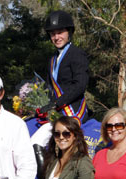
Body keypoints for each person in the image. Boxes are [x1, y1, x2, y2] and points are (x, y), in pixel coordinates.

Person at [30, 10, 90, 148]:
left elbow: (80, 85)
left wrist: (56, 104)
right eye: (52, 34)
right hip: (56, 110)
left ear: (69, 32)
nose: (56, 37)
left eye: (60, 32)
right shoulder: (52, 59)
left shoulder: (77, 54)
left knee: (36, 142)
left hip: (73, 110)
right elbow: (49, 88)